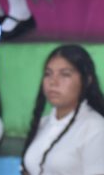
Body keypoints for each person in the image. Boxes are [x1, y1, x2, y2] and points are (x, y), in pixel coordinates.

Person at [21, 44, 104, 174]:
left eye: (65, 74)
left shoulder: (95, 128)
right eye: (48, 74)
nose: (53, 82)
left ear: (87, 80)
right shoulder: (44, 123)